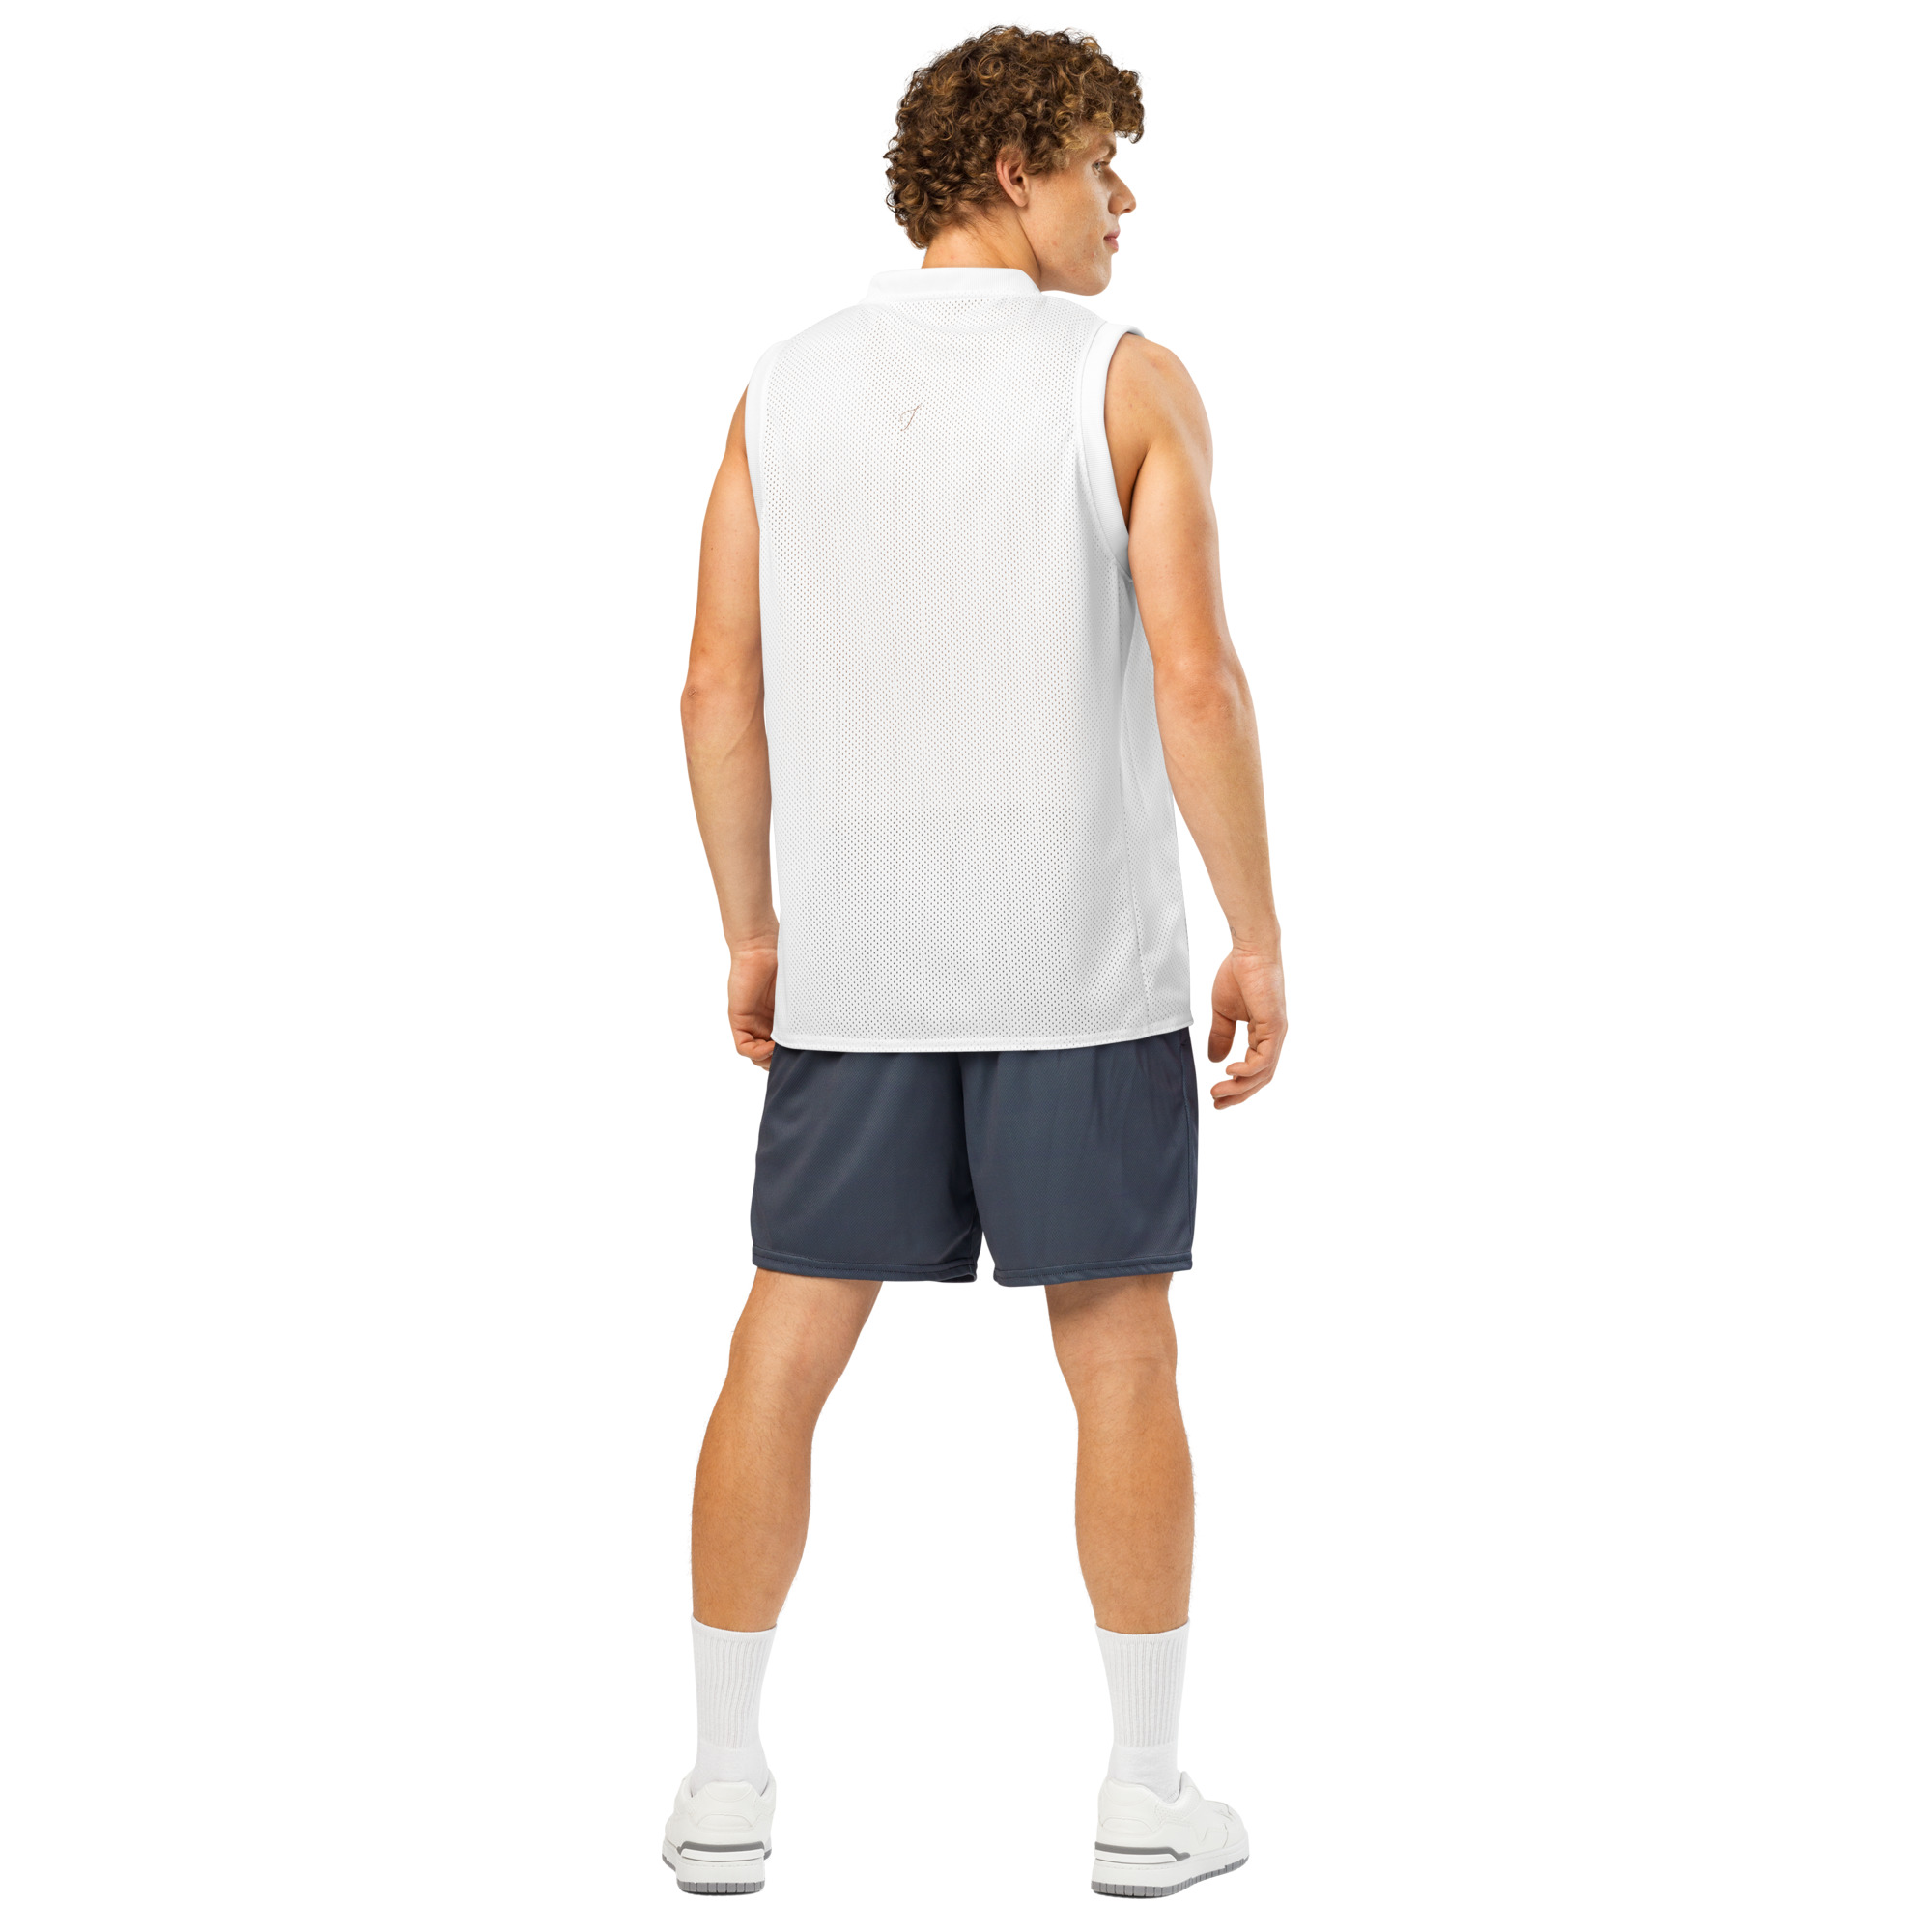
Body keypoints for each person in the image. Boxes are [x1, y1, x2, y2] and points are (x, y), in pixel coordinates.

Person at [666, 26, 1283, 1899]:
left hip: (861, 966)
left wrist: (753, 928)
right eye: (1101, 162)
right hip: (1077, 964)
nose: (1123, 202)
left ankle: (719, 1787)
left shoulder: (781, 386)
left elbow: (713, 689)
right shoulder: (1127, 378)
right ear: (1014, 169)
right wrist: (1258, 930)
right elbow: (1195, 680)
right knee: (1120, 1357)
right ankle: (1145, 1795)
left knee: (784, 1344)